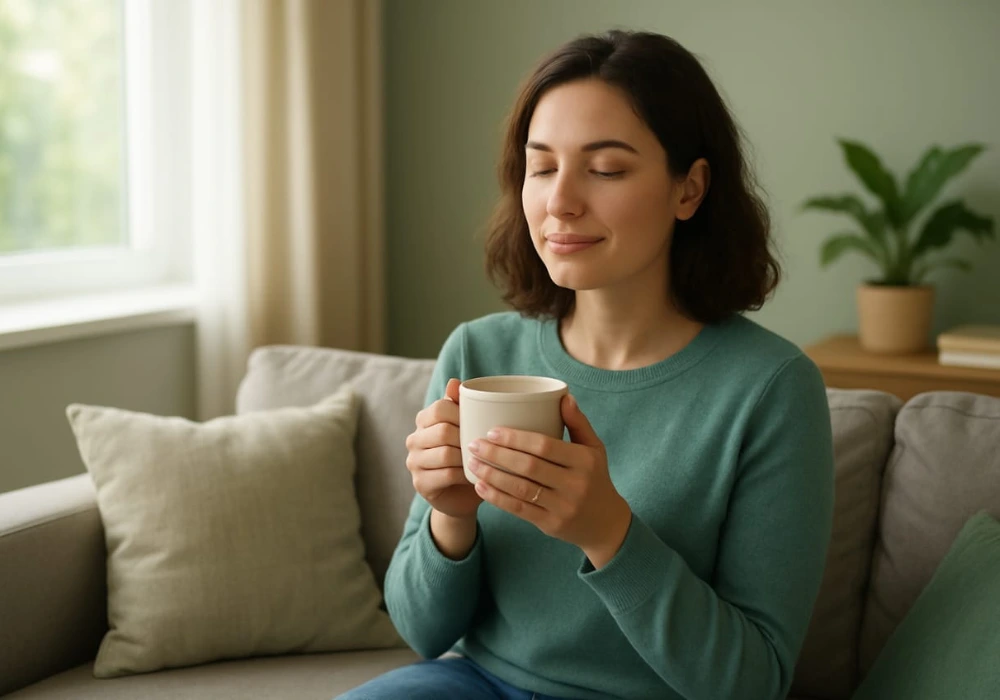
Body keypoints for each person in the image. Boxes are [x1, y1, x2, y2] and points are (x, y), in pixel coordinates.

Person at [338, 29, 834, 700]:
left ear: (689, 189)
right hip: (474, 684)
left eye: (605, 169)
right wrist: (448, 520)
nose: (560, 201)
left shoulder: (769, 389)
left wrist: (608, 532)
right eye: (541, 167)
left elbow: (752, 682)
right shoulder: (478, 354)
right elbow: (422, 632)